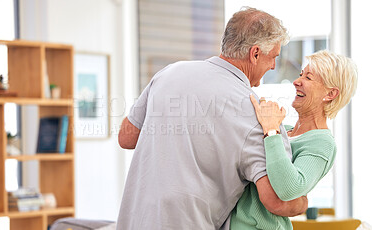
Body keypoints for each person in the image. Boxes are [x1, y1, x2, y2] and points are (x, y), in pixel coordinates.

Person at [116, 7, 308, 230]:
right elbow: (277, 200)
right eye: (273, 57)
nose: (274, 65)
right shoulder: (258, 112)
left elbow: (126, 138)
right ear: (255, 54)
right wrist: (302, 202)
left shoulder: (169, 73)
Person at [230, 50, 358, 229]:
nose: (296, 82)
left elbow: (289, 188)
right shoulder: (284, 130)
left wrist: (271, 130)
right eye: (300, 75)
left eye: (309, 78)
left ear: (330, 94)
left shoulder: (322, 142)